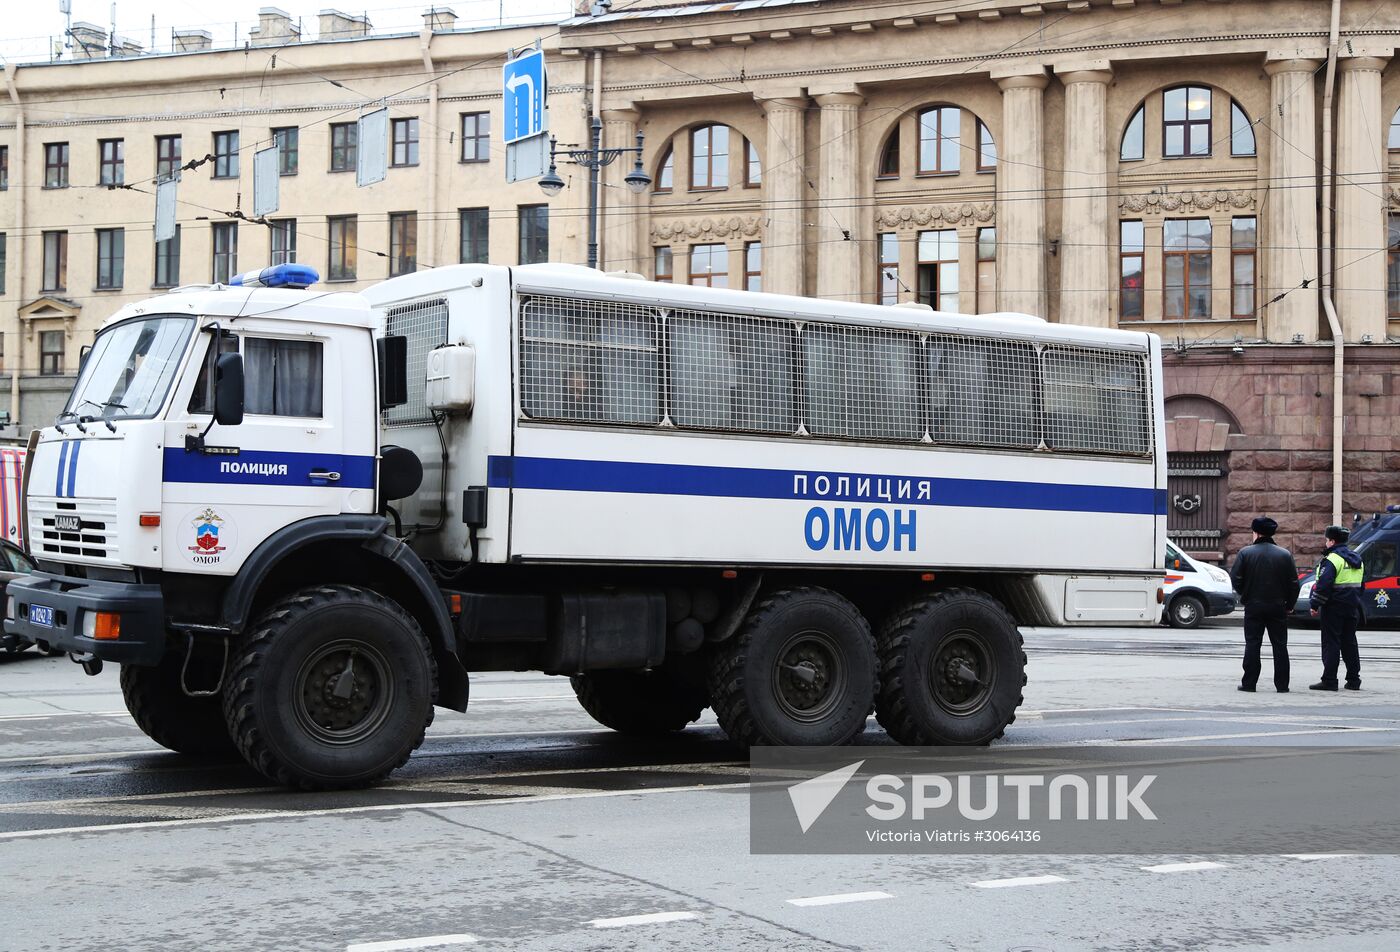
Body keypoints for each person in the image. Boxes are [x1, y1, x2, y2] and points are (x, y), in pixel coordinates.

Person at [1229, 516, 1300, 693]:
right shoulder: (1284, 554)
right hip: (1278, 606)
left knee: (1252, 644)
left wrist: (1245, 594)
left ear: (1256, 533)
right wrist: (1289, 604)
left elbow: (1235, 579)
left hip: (1253, 605)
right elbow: (1293, 584)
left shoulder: (1246, 553)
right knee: (1280, 645)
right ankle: (1282, 685)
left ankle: (1249, 683)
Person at [1309, 525, 1364, 691]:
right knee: (1349, 643)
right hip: (1352, 607)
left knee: (1331, 643)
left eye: (1327, 540)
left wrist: (1315, 605)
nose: (1325, 543)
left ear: (1332, 541)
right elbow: (1362, 586)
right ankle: (1354, 680)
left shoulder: (1332, 560)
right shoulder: (1357, 559)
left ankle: (1329, 680)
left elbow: (1324, 586)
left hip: (1333, 608)